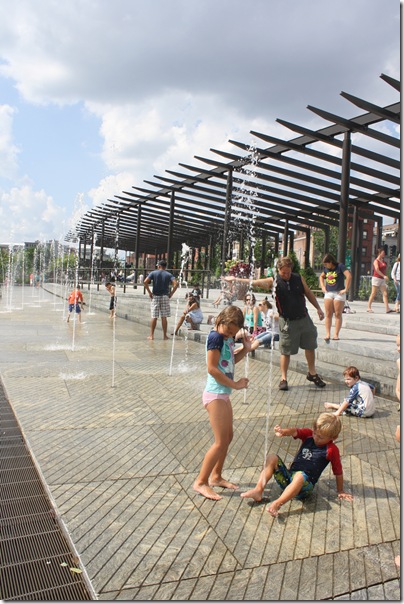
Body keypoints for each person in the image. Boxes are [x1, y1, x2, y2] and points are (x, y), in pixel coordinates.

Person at [226, 256, 326, 391]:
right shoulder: (274, 282)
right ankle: (283, 378)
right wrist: (235, 279)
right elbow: (254, 282)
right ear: (278, 270)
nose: (286, 275)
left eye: (288, 272)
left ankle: (312, 373)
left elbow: (308, 293)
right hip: (287, 322)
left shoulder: (298, 278)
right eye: (284, 273)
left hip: (304, 318)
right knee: (285, 350)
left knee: (310, 345)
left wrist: (318, 308)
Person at [241, 413, 353, 516]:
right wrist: (283, 432)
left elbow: (338, 471)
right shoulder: (308, 435)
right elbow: (295, 431)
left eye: (320, 437)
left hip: (304, 487)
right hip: (289, 479)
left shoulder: (332, 450)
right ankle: (258, 490)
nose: (315, 437)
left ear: (333, 437)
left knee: (300, 476)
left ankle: (278, 503)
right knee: (271, 457)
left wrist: (340, 491)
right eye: (315, 433)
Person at [193, 306, 252, 501]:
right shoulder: (215, 338)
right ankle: (201, 482)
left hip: (223, 394)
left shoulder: (225, 338)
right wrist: (235, 385)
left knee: (228, 437)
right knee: (220, 442)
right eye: (228, 331)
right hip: (215, 394)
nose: (229, 335)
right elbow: (211, 368)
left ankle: (216, 476)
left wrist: (246, 349)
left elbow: (230, 361)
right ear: (221, 321)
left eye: (233, 333)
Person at [319, 253, 351, 341]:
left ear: (331, 262)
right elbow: (321, 276)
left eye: (326, 264)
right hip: (329, 292)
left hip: (339, 292)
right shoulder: (326, 269)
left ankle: (336, 334)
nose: (325, 266)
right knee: (328, 313)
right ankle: (327, 334)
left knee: (338, 313)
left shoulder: (340, 266)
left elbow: (348, 275)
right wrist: (323, 286)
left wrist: (346, 289)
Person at [144, 259, 178, 340]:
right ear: (165, 267)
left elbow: (145, 282)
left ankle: (151, 335)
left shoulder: (153, 273)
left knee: (154, 316)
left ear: (159, 266)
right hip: (165, 296)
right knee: (164, 316)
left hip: (155, 296)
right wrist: (171, 293)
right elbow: (176, 284)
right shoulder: (169, 274)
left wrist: (149, 292)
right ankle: (165, 336)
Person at [367, 248, 393, 313]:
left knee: (385, 294)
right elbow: (377, 269)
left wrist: (385, 276)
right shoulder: (376, 261)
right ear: (379, 253)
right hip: (376, 278)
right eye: (383, 253)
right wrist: (384, 276)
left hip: (382, 279)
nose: (384, 254)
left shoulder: (383, 261)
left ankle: (387, 308)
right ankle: (369, 307)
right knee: (373, 293)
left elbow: (384, 269)